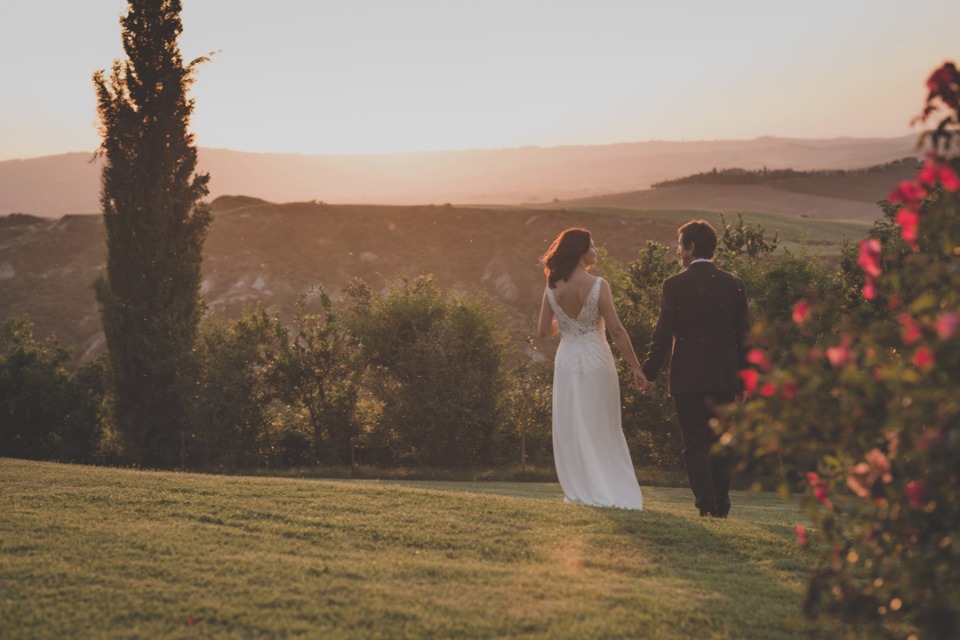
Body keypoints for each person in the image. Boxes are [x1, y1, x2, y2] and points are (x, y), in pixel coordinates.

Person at [641, 220, 749, 518]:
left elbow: (662, 335)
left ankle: (706, 505)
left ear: (690, 247)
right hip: (725, 376)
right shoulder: (734, 284)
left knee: (695, 443)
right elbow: (745, 337)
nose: (678, 252)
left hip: (688, 376)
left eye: (680, 246)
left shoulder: (674, 285)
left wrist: (649, 373)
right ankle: (722, 507)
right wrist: (745, 380)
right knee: (721, 443)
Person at [538, 228, 646, 510]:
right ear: (580, 251)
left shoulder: (552, 287)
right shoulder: (598, 285)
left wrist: (566, 323)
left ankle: (581, 486)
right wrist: (636, 367)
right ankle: (609, 485)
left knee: (574, 424)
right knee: (603, 424)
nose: (596, 249)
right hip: (597, 359)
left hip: (567, 360)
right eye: (592, 245)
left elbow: (542, 331)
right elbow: (617, 331)